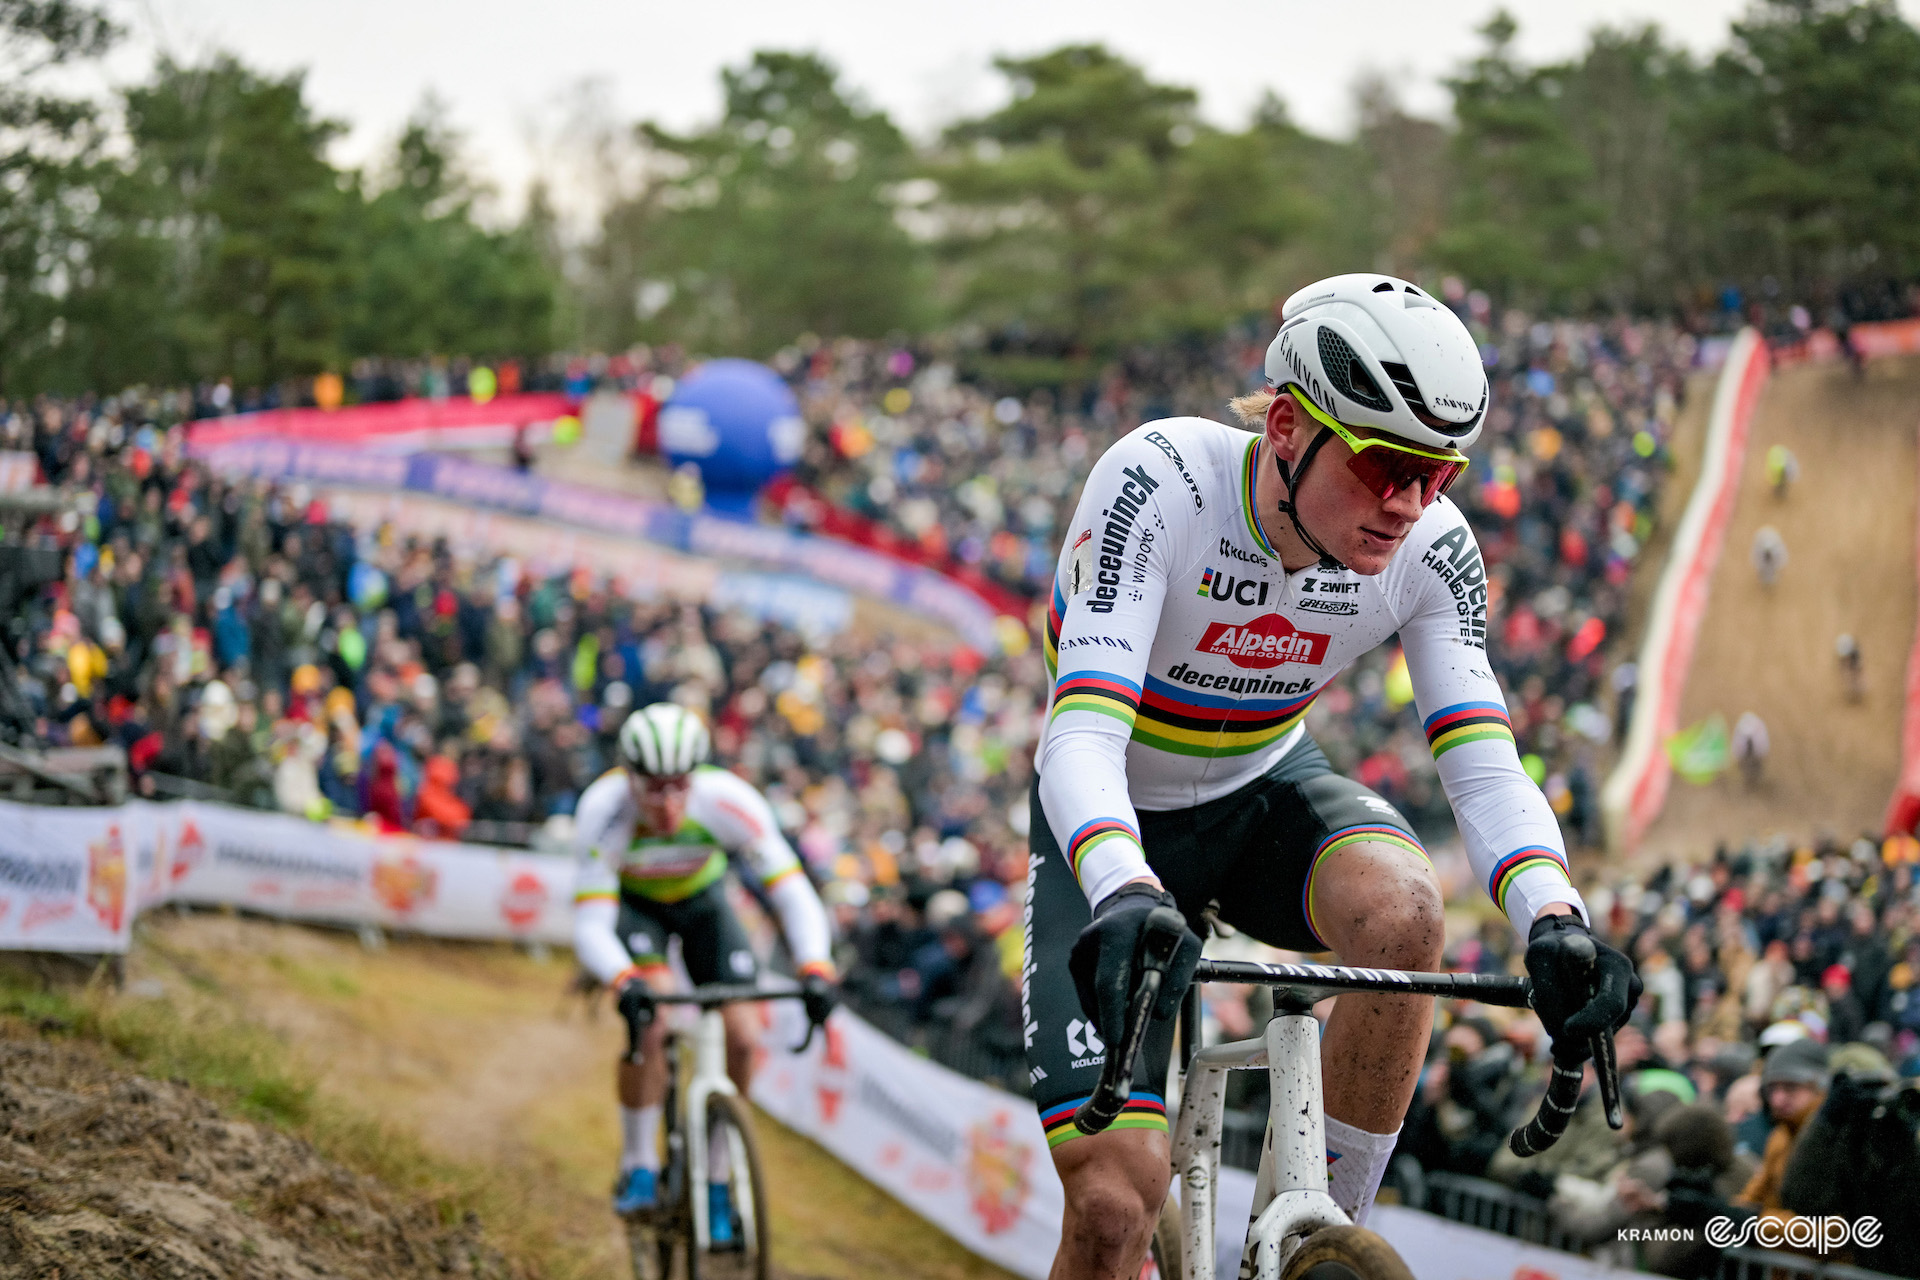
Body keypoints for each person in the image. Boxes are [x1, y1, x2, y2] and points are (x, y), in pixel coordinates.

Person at [1026, 273, 1641, 1278]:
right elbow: (1083, 729)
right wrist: (1125, 883)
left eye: (1436, 475)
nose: (1407, 503)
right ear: (1282, 426)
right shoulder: (1161, 480)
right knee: (1108, 1206)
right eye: (1383, 465)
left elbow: (1483, 765)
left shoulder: (1434, 549)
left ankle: (1320, 1235)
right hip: (1111, 821)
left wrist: (1554, 914)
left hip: (1268, 794)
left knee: (1406, 912)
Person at [572, 703, 838, 1228]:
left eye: (679, 785)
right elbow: (591, 924)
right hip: (636, 907)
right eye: (653, 787)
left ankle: (717, 1178)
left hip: (704, 903)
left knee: (743, 1038)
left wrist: (817, 966)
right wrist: (624, 981)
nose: (668, 802)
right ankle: (638, 1165)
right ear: (628, 777)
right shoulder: (603, 810)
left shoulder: (730, 801)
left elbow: (792, 893)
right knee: (654, 1020)